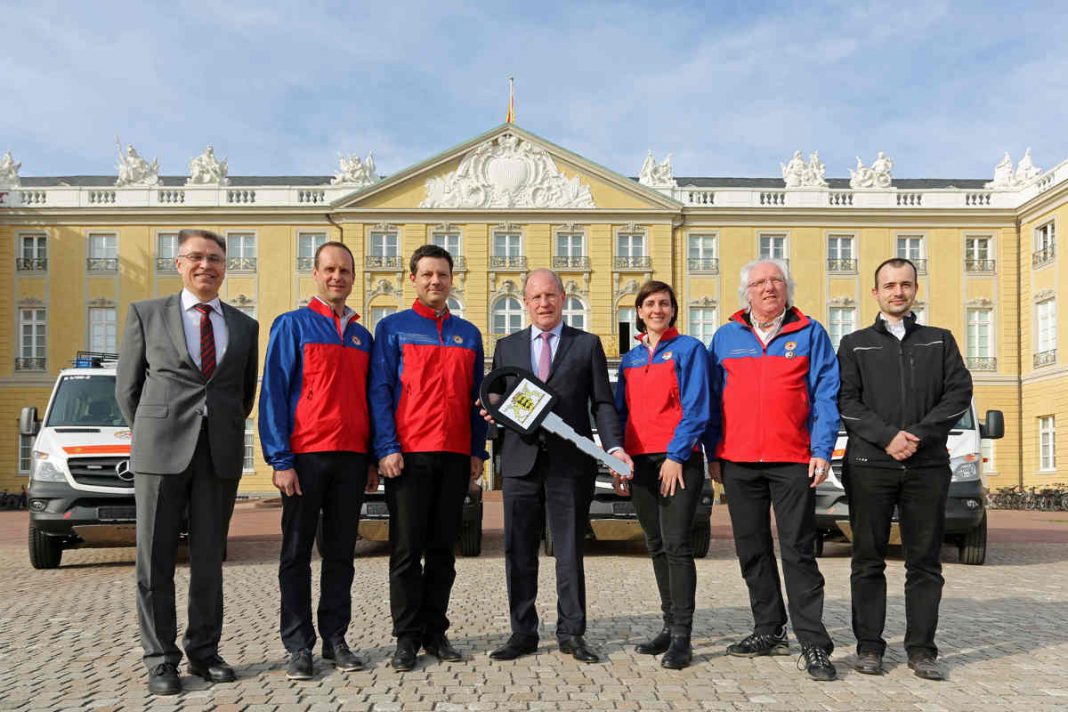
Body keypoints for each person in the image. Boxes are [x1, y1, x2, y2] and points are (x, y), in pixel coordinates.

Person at [116, 229, 259, 695]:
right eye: (195, 257)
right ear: (178, 263)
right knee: (154, 560)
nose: (206, 266)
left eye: (215, 258)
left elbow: (243, 394)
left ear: (225, 266)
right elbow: (128, 389)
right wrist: (156, 429)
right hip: (160, 452)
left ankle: (203, 651)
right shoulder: (146, 314)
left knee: (208, 560)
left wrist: (216, 425)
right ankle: (160, 659)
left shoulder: (243, 325)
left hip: (217, 453)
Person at [485, 268, 632, 664]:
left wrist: (613, 447)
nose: (543, 303)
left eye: (550, 296)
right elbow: (496, 399)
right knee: (519, 550)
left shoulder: (586, 345)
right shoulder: (507, 346)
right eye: (535, 297)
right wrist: (492, 412)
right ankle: (522, 633)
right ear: (525, 303)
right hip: (520, 461)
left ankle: (572, 633)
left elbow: (602, 402)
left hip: (570, 464)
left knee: (569, 550)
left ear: (563, 298)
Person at [703, 258, 839, 681]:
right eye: (760, 283)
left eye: (776, 281)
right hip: (739, 461)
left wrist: (821, 449)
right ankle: (768, 629)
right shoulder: (725, 337)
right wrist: (713, 452)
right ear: (747, 292)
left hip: (792, 459)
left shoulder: (811, 333)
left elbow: (826, 394)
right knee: (752, 549)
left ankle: (813, 643)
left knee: (798, 550)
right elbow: (712, 401)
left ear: (787, 288)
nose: (768, 289)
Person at [837, 258, 972, 681]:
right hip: (869, 465)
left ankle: (921, 650)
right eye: (889, 285)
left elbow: (958, 394)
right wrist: (886, 437)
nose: (898, 292)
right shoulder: (854, 343)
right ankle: (870, 647)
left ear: (916, 289)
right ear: (875, 292)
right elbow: (846, 401)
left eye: (906, 284)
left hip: (927, 464)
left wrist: (915, 434)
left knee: (925, 562)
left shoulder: (939, 341)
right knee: (867, 559)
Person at [259, 241, 378, 680]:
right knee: (295, 553)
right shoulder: (292, 326)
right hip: (305, 457)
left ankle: (335, 638)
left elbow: (369, 399)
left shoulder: (363, 336)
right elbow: (273, 392)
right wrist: (280, 458)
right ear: (315, 273)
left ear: (352, 276)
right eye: (329, 269)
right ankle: (297, 644)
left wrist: (369, 458)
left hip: (349, 458)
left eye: (345, 270)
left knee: (341, 553)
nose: (337, 277)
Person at [368, 244, 488, 672]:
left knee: (443, 551)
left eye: (442, 274)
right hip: (408, 456)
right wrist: (385, 447)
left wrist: (477, 451)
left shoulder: (469, 334)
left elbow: (479, 401)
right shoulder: (393, 329)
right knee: (405, 550)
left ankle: (435, 631)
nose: (435, 281)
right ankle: (406, 637)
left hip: (455, 455)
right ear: (413, 279)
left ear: (452, 279)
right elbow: (379, 390)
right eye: (427, 275)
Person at [613, 281, 710, 669]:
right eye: (650, 304)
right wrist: (619, 459)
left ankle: (683, 636)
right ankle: (669, 625)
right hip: (639, 463)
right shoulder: (631, 359)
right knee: (654, 544)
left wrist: (676, 454)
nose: (657, 309)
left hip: (678, 462)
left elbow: (697, 407)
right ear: (639, 311)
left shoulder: (689, 350)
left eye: (664, 303)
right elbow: (621, 414)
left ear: (673, 310)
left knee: (677, 545)